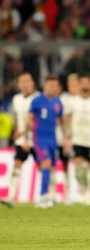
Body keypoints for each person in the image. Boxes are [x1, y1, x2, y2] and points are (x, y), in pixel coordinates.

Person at [64, 74, 90, 205]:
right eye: (82, 82)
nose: (85, 85)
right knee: (79, 169)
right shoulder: (72, 101)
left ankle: (89, 193)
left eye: (87, 82)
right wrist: (67, 136)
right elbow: (67, 118)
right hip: (77, 139)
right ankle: (83, 191)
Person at [1, 72, 40, 208]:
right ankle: (11, 195)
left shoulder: (39, 98)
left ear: (33, 82)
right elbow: (18, 118)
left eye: (27, 81)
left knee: (43, 167)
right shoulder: (16, 99)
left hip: (37, 139)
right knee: (17, 164)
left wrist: (27, 138)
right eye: (22, 81)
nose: (25, 84)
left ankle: (47, 195)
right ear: (18, 85)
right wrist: (18, 132)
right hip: (21, 139)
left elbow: (38, 121)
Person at [26, 74, 63, 208]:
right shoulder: (37, 101)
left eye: (55, 86)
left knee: (51, 166)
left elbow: (60, 121)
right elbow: (28, 118)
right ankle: (42, 196)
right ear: (44, 86)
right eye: (50, 85)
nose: (52, 88)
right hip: (39, 138)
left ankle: (50, 195)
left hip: (52, 138)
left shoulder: (58, 102)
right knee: (46, 163)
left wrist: (66, 138)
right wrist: (26, 132)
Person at [53, 74, 79, 204]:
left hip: (80, 138)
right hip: (63, 137)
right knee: (64, 165)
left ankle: (86, 191)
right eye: (71, 85)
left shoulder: (82, 100)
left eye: (75, 84)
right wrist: (66, 136)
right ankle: (63, 193)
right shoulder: (64, 99)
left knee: (82, 165)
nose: (73, 87)